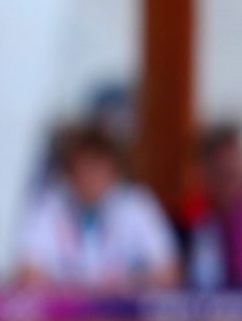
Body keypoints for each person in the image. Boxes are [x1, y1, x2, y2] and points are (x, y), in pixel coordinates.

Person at [14, 123, 179, 292]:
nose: (90, 178)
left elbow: (168, 273)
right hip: (68, 313)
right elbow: (29, 273)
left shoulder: (137, 206)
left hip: (122, 313)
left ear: (115, 171)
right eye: (83, 168)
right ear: (69, 172)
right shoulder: (49, 206)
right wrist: (81, 290)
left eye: (97, 168)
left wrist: (126, 282)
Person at [175, 123, 242, 289]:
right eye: (221, 172)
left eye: (234, 173)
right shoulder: (189, 224)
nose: (229, 183)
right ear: (204, 172)